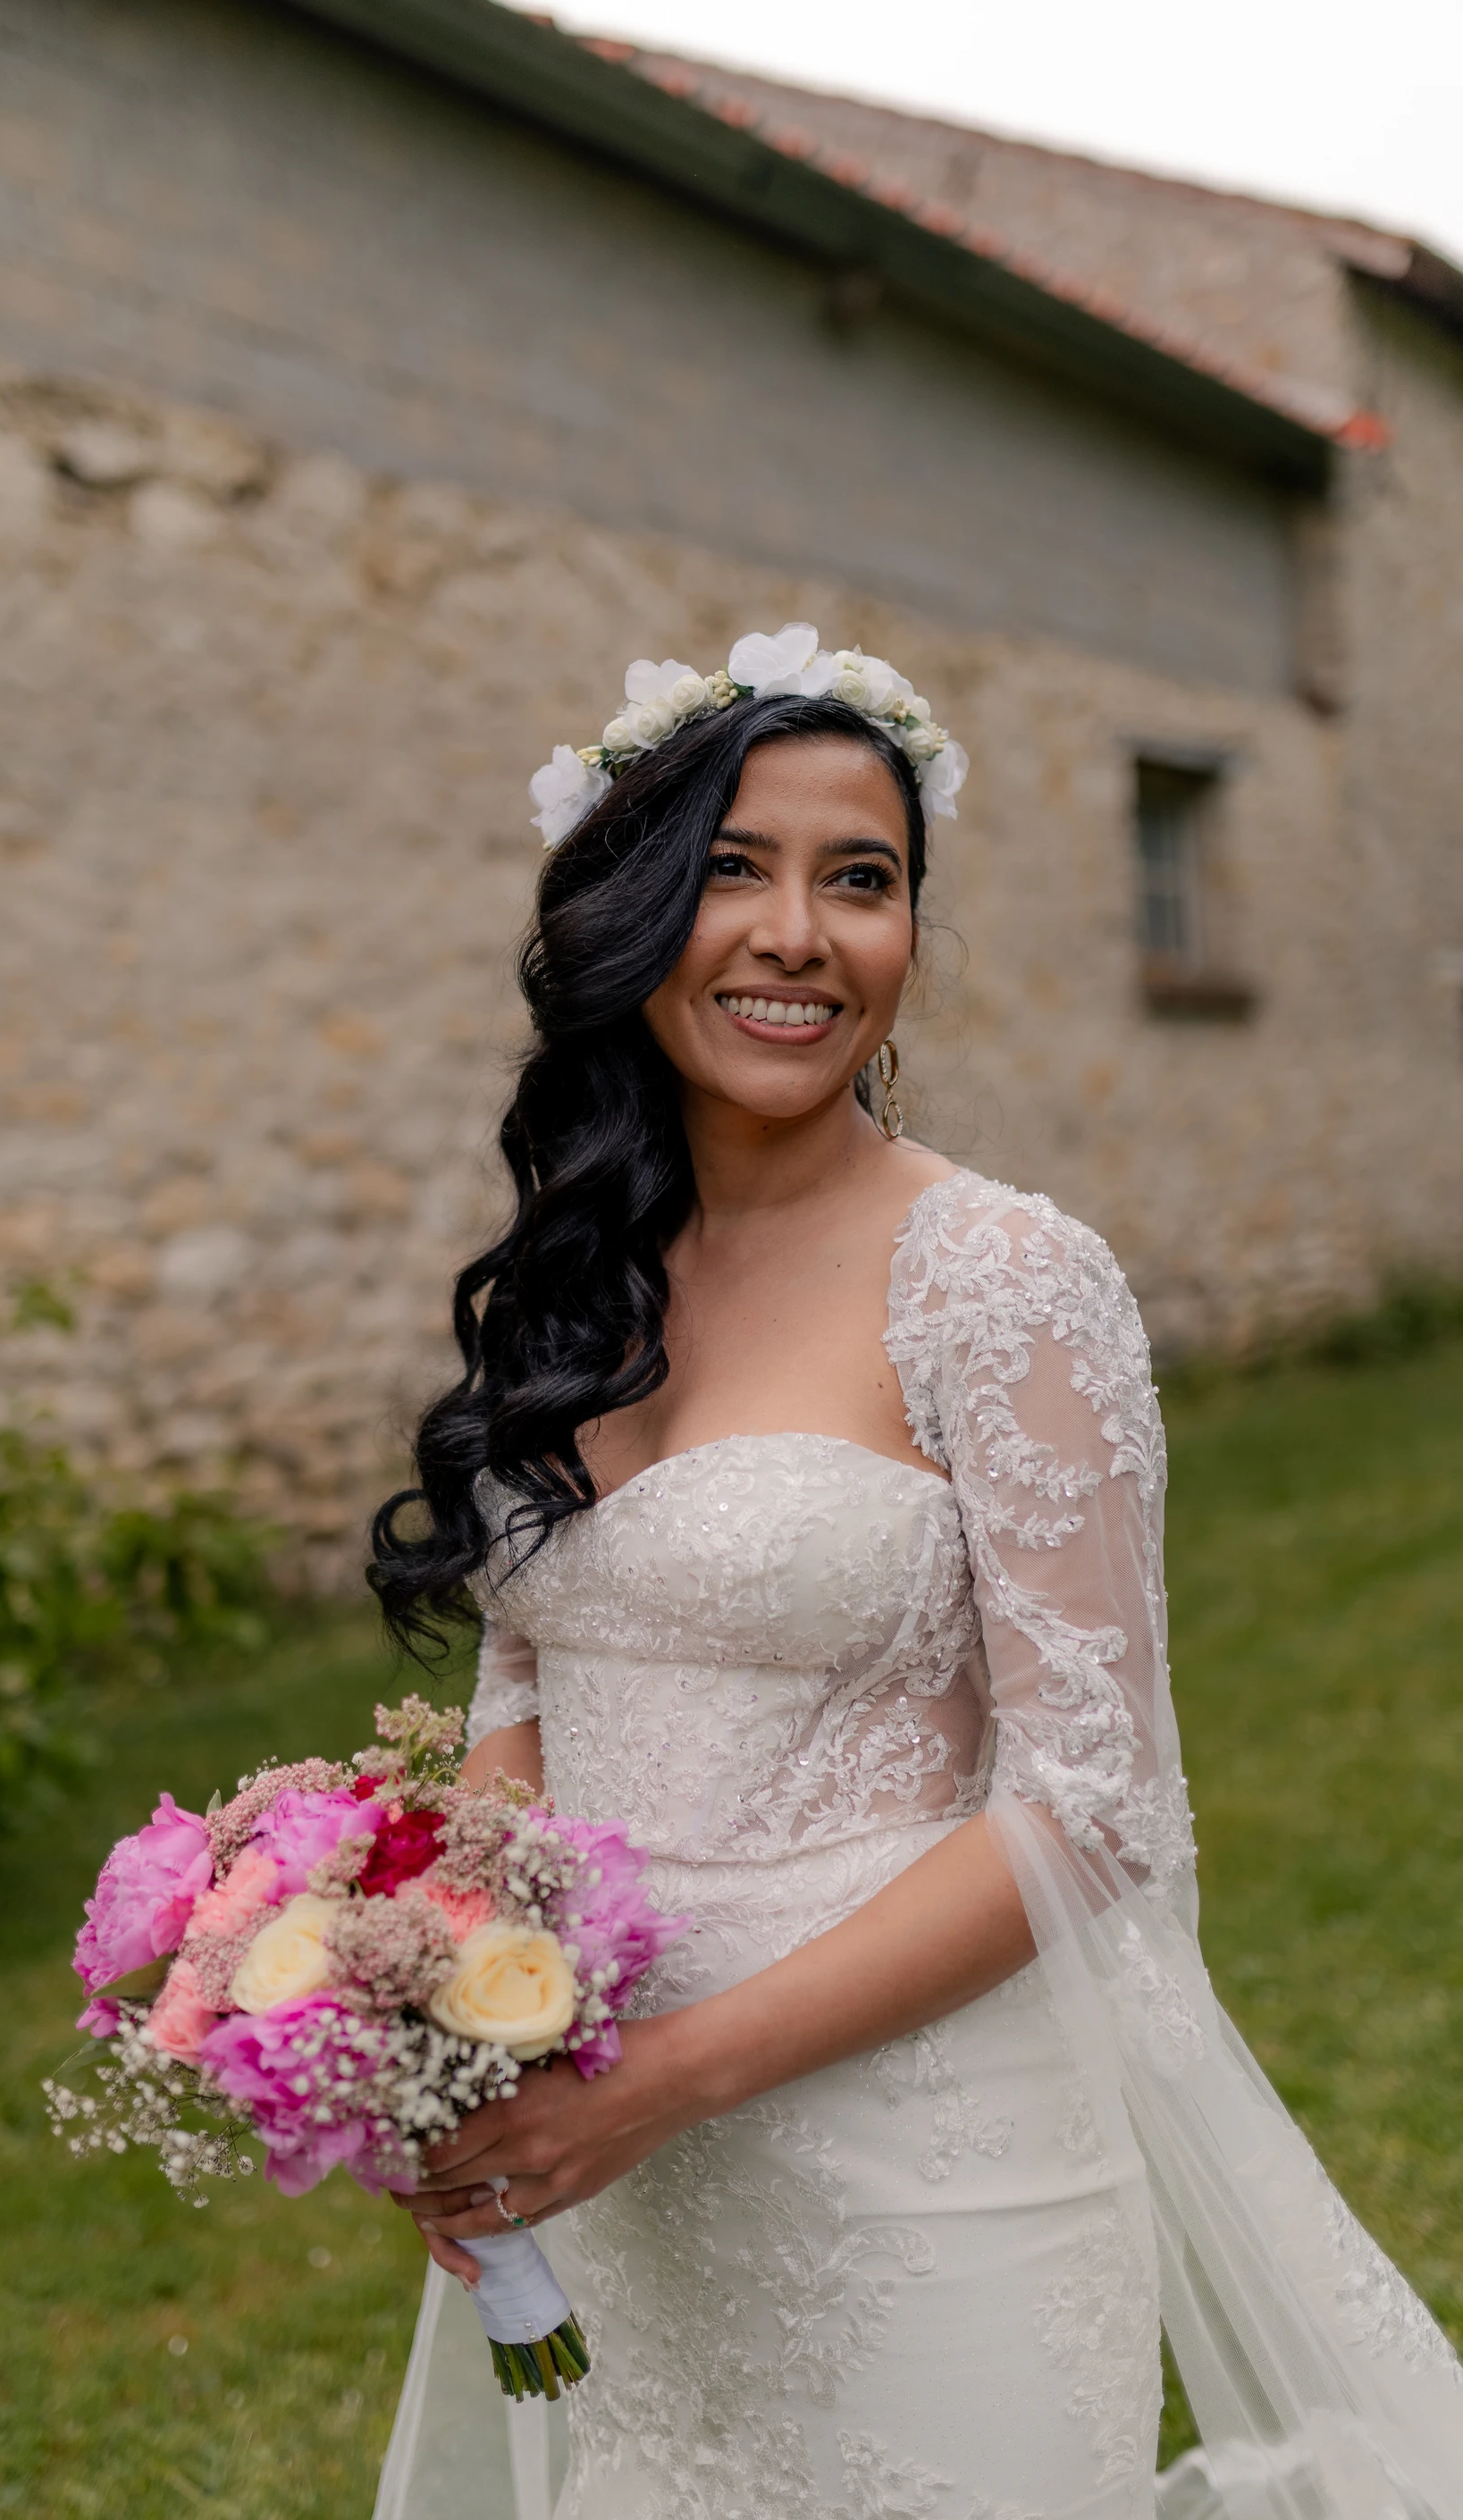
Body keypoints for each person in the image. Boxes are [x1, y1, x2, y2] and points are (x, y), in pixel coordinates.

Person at [367, 630, 1463, 2520]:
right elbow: (528, 1696)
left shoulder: (1003, 1278)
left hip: (933, 2180)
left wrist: (661, 2081)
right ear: (629, 917)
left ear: (907, 938)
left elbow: (1089, 1809)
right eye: (732, 867)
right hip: (626, 2175)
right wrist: (445, 2013)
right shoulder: (572, 1288)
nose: (798, 932)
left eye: (858, 880)